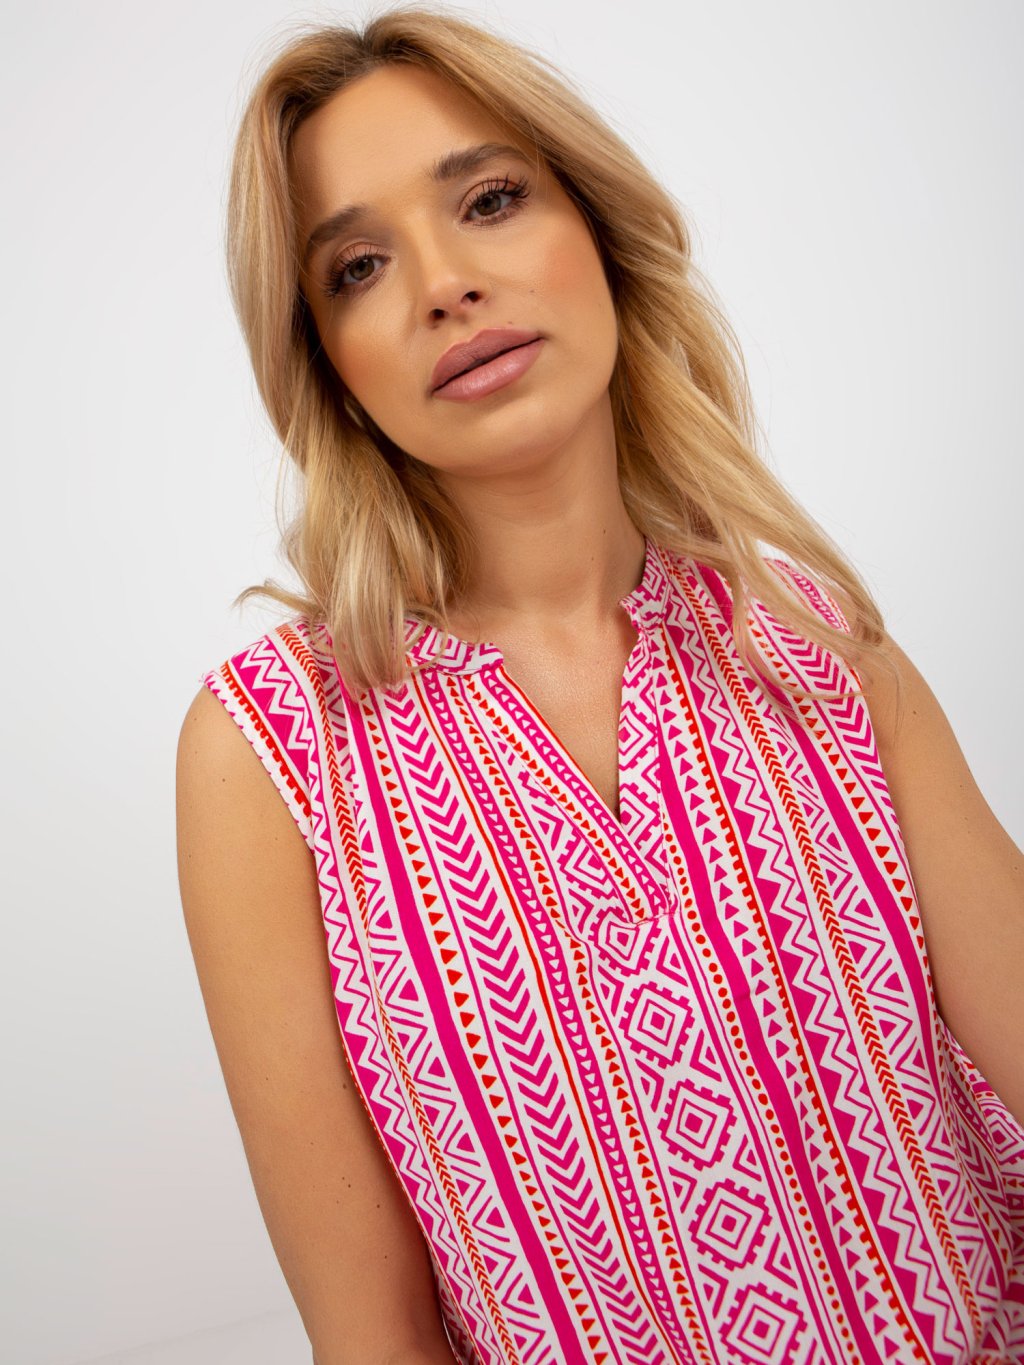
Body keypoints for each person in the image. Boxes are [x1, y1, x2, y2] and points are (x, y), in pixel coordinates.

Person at [174, 7, 1024, 1363]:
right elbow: (374, 1336)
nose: (445, 284)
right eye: (359, 266)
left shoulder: (814, 640)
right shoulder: (269, 755)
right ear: (325, 363)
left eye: (490, 200)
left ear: (601, 235)